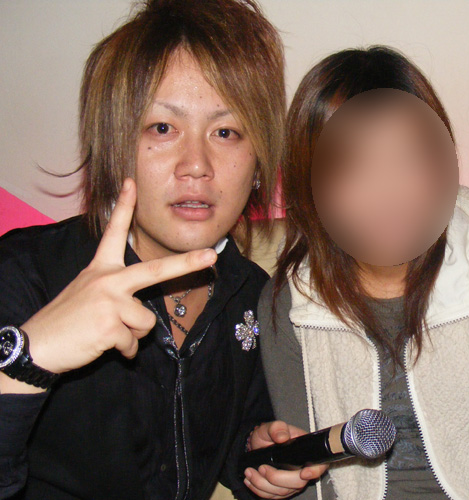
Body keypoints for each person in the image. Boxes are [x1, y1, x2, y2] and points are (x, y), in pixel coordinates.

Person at [0, 1, 321, 498]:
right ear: (114, 146)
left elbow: (223, 442)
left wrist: (256, 454)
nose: (196, 164)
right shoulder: (25, 270)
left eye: (226, 132)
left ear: (258, 165)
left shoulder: (254, 294)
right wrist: (28, 360)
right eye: (163, 128)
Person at [256, 46, 469, 500]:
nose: (388, 192)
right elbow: (308, 473)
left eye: (408, 159)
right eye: (355, 167)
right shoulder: (290, 302)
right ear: (310, 184)